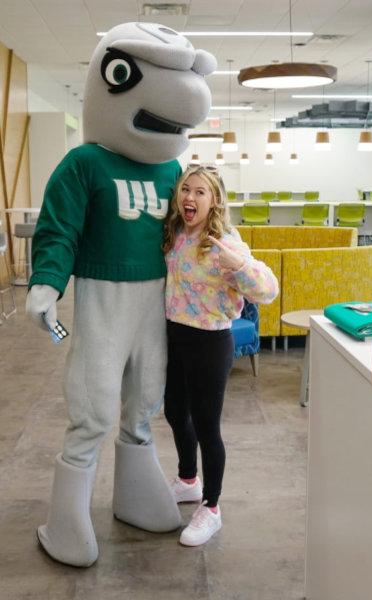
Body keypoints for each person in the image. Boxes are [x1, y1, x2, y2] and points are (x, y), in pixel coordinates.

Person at [25, 22, 216, 567]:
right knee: (94, 400)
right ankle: (67, 520)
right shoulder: (84, 163)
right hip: (105, 294)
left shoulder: (172, 168)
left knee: (145, 397)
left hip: (159, 298)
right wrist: (47, 282)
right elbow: (59, 229)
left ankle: (133, 492)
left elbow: (188, 231)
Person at [162, 165, 279, 547]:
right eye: (185, 190)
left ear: (215, 201)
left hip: (210, 341)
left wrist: (240, 265)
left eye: (199, 192)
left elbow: (267, 290)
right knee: (175, 411)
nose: (189, 198)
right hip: (176, 334)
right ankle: (188, 480)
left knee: (207, 425)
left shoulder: (225, 241)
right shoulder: (177, 233)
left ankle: (211, 508)